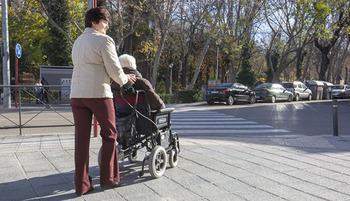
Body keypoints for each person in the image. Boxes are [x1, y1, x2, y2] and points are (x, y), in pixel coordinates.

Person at [70, 7, 136, 196]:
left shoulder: (77, 41)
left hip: (77, 95)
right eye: (104, 22)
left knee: (81, 140)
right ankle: (109, 178)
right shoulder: (104, 40)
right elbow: (114, 69)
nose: (107, 26)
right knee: (110, 134)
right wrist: (125, 79)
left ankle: (81, 185)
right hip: (99, 93)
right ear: (93, 22)